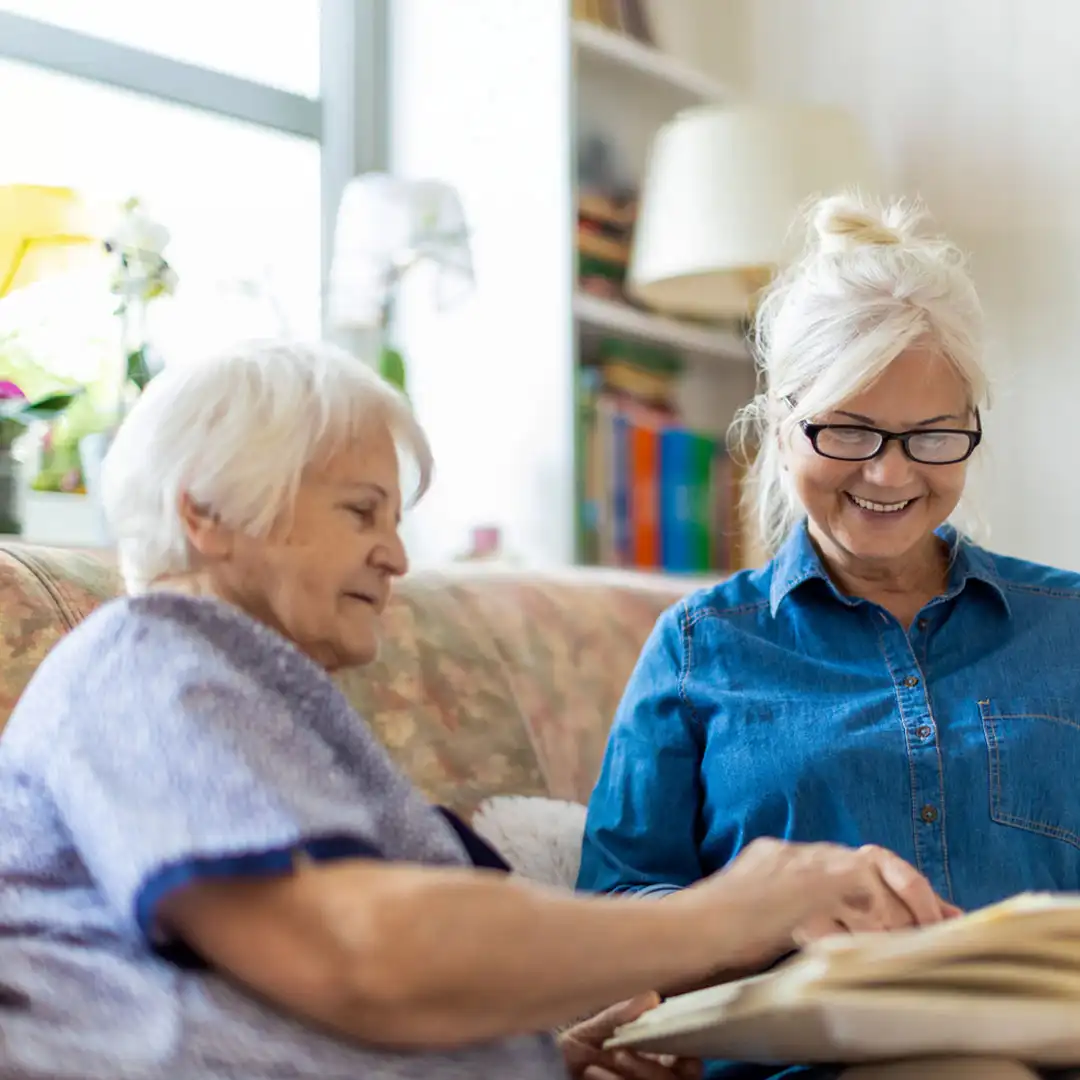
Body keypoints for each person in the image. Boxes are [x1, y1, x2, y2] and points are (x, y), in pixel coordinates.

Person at [0, 339, 956, 1080]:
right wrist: (734, 909)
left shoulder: (259, 702)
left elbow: (373, 971)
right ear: (205, 508)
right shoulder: (149, 661)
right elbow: (355, 949)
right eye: (361, 511)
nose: (397, 557)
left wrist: (546, 1046)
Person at [577, 194, 1080, 1080]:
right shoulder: (700, 650)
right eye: (848, 429)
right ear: (778, 424)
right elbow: (607, 925)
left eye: (930, 436)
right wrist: (764, 919)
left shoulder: (1068, 627)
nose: (889, 473)